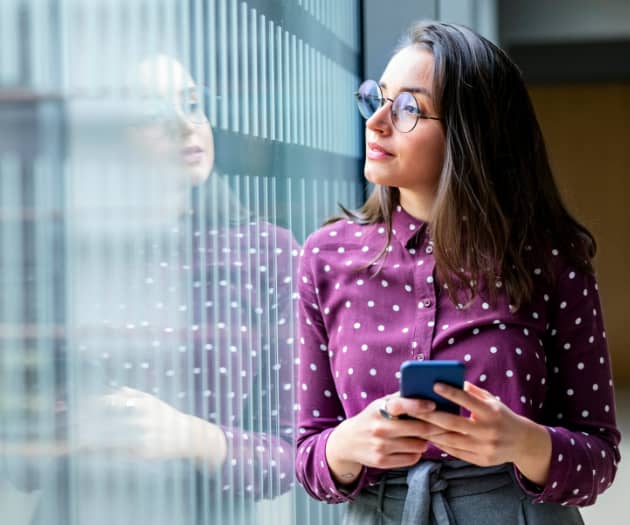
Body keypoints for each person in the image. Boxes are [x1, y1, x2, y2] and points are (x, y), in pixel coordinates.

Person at [294, 20, 621, 524]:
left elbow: (598, 460)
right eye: (377, 98)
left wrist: (521, 441)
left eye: (408, 109)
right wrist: (347, 444)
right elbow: (308, 456)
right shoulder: (325, 257)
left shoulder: (552, 259)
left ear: (472, 133)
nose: (376, 122)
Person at [16, 55, 299, 525]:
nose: (184, 126)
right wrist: (76, 432)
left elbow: (295, 455)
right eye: (152, 114)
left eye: (192, 103)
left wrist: (186, 436)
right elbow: (16, 456)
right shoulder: (63, 254)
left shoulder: (267, 253)